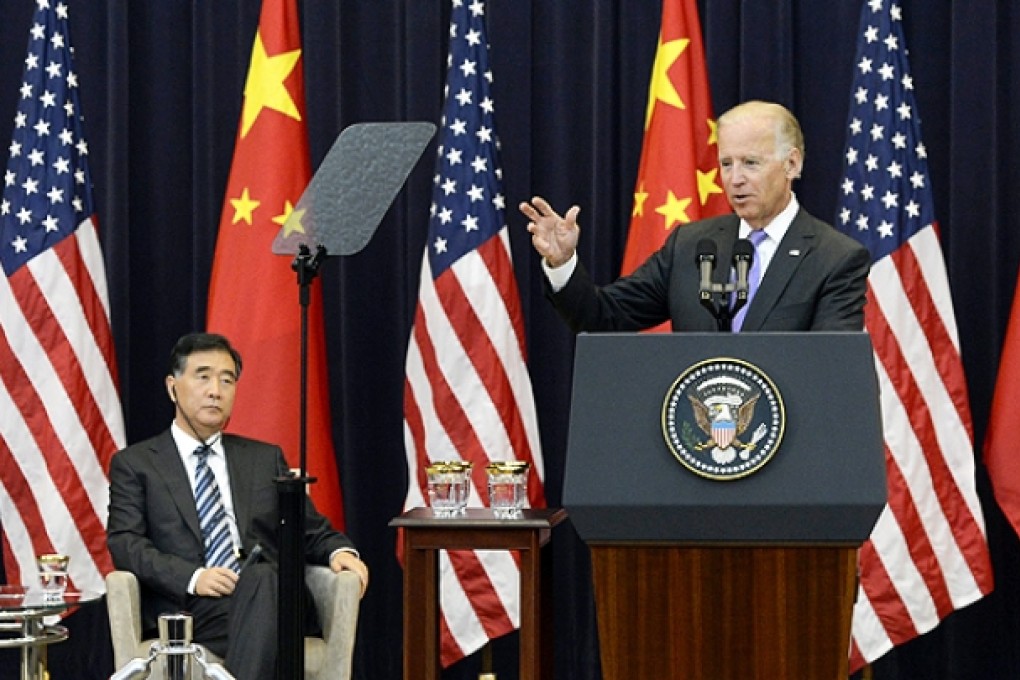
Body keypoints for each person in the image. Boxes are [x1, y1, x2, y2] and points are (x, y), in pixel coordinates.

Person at [107, 332, 368, 679]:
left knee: (262, 578)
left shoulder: (263, 458)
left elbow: (308, 529)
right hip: (191, 608)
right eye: (203, 376)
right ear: (173, 387)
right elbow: (125, 543)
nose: (216, 390)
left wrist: (340, 553)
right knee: (264, 611)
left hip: (271, 596)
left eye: (227, 380)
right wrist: (194, 577)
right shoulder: (136, 464)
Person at [519, 100, 871, 333]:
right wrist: (563, 264)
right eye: (726, 164)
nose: (735, 179)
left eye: (751, 163)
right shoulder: (690, 246)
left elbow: (828, 368)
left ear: (791, 164)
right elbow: (603, 317)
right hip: (695, 436)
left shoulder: (834, 258)